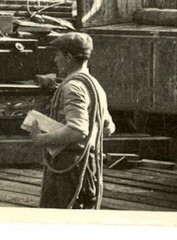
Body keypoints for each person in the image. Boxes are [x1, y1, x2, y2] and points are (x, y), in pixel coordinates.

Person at [29, 32, 115, 210]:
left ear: (68, 57)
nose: (55, 60)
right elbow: (108, 127)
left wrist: (41, 139)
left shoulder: (73, 87)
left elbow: (78, 130)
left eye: (58, 55)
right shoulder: (95, 85)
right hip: (87, 165)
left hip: (69, 167)